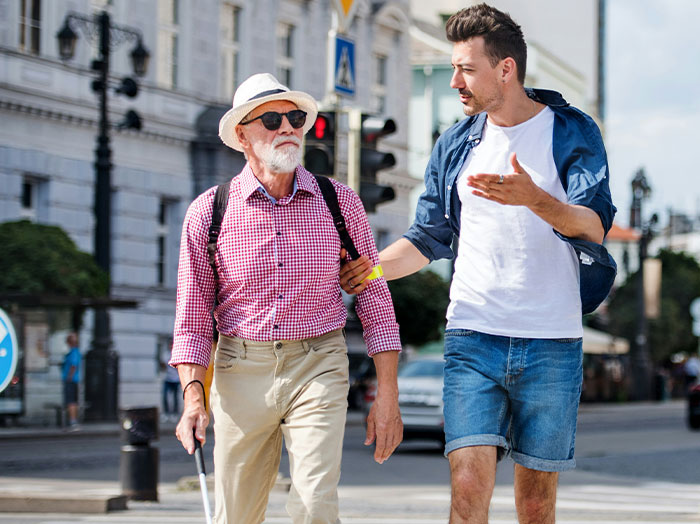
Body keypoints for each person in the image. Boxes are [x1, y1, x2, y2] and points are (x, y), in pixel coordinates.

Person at [339, 4, 616, 523]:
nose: (454, 82)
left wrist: (538, 201)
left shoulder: (571, 132)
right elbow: (427, 238)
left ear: (505, 69)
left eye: (466, 69)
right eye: (452, 68)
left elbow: (593, 225)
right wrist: (372, 268)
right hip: (473, 337)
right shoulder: (456, 144)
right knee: (467, 485)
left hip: (551, 341)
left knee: (535, 504)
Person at [170, 72, 403, 524]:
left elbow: (375, 301)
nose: (287, 128)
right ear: (242, 135)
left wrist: (387, 394)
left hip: (317, 361)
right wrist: (193, 399)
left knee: (315, 506)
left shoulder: (339, 202)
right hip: (239, 370)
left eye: (295, 118)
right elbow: (193, 318)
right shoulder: (209, 212)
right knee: (235, 515)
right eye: (271, 119)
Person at [62, 332, 81, 429]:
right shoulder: (75, 352)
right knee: (73, 401)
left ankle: (73, 421)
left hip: (71, 380)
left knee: (71, 401)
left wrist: (69, 377)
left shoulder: (73, 352)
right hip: (73, 380)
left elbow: (73, 365)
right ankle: (73, 420)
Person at [160, 345, 180, 422]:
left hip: (176, 379)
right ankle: (166, 413)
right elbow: (162, 365)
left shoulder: (177, 353)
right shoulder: (166, 354)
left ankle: (174, 413)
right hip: (167, 378)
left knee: (175, 397)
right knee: (165, 396)